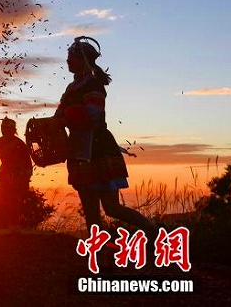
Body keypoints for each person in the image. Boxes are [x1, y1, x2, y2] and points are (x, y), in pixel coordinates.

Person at [55, 36, 157, 239]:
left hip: (98, 148)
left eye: (71, 57)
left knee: (111, 208)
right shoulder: (71, 88)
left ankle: (153, 231)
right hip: (78, 150)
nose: (67, 61)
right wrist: (54, 122)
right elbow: (60, 115)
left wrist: (69, 117)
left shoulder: (93, 85)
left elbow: (93, 115)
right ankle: (101, 256)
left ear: (83, 60)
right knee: (91, 214)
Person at [0, 118, 33, 229]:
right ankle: (9, 225)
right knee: (6, 200)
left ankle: (15, 225)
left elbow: (28, 162)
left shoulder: (19, 143)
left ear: (13, 129)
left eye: (8, 128)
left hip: (19, 174)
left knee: (15, 200)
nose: (5, 130)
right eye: (3, 127)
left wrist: (25, 177)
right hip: (4, 174)